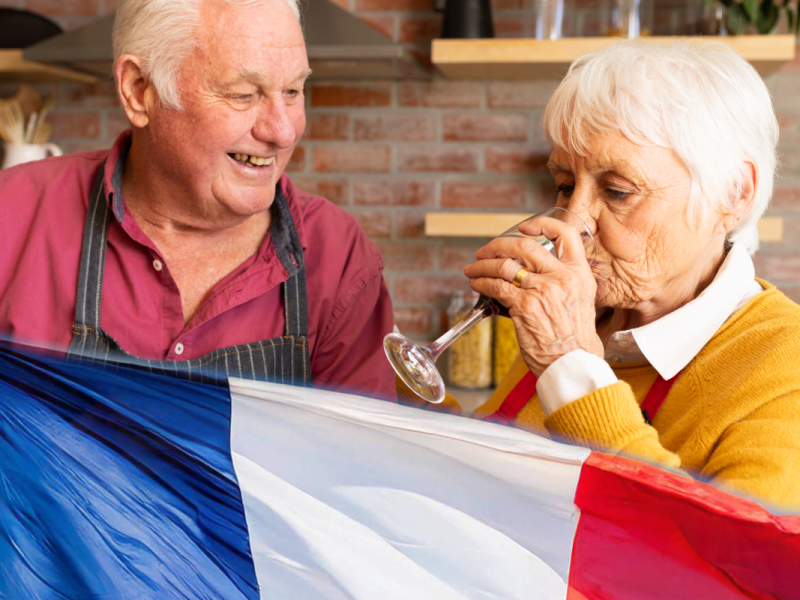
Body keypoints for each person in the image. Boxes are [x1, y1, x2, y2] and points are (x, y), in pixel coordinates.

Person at [0, 0, 395, 399]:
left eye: (293, 91)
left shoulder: (339, 256)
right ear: (139, 91)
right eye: (243, 94)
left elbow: (362, 455)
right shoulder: (11, 215)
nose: (284, 132)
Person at [468, 41, 800, 508]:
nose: (573, 221)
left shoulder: (786, 364)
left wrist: (570, 365)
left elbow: (734, 567)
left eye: (618, 191)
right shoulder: (585, 317)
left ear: (733, 194)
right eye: (565, 186)